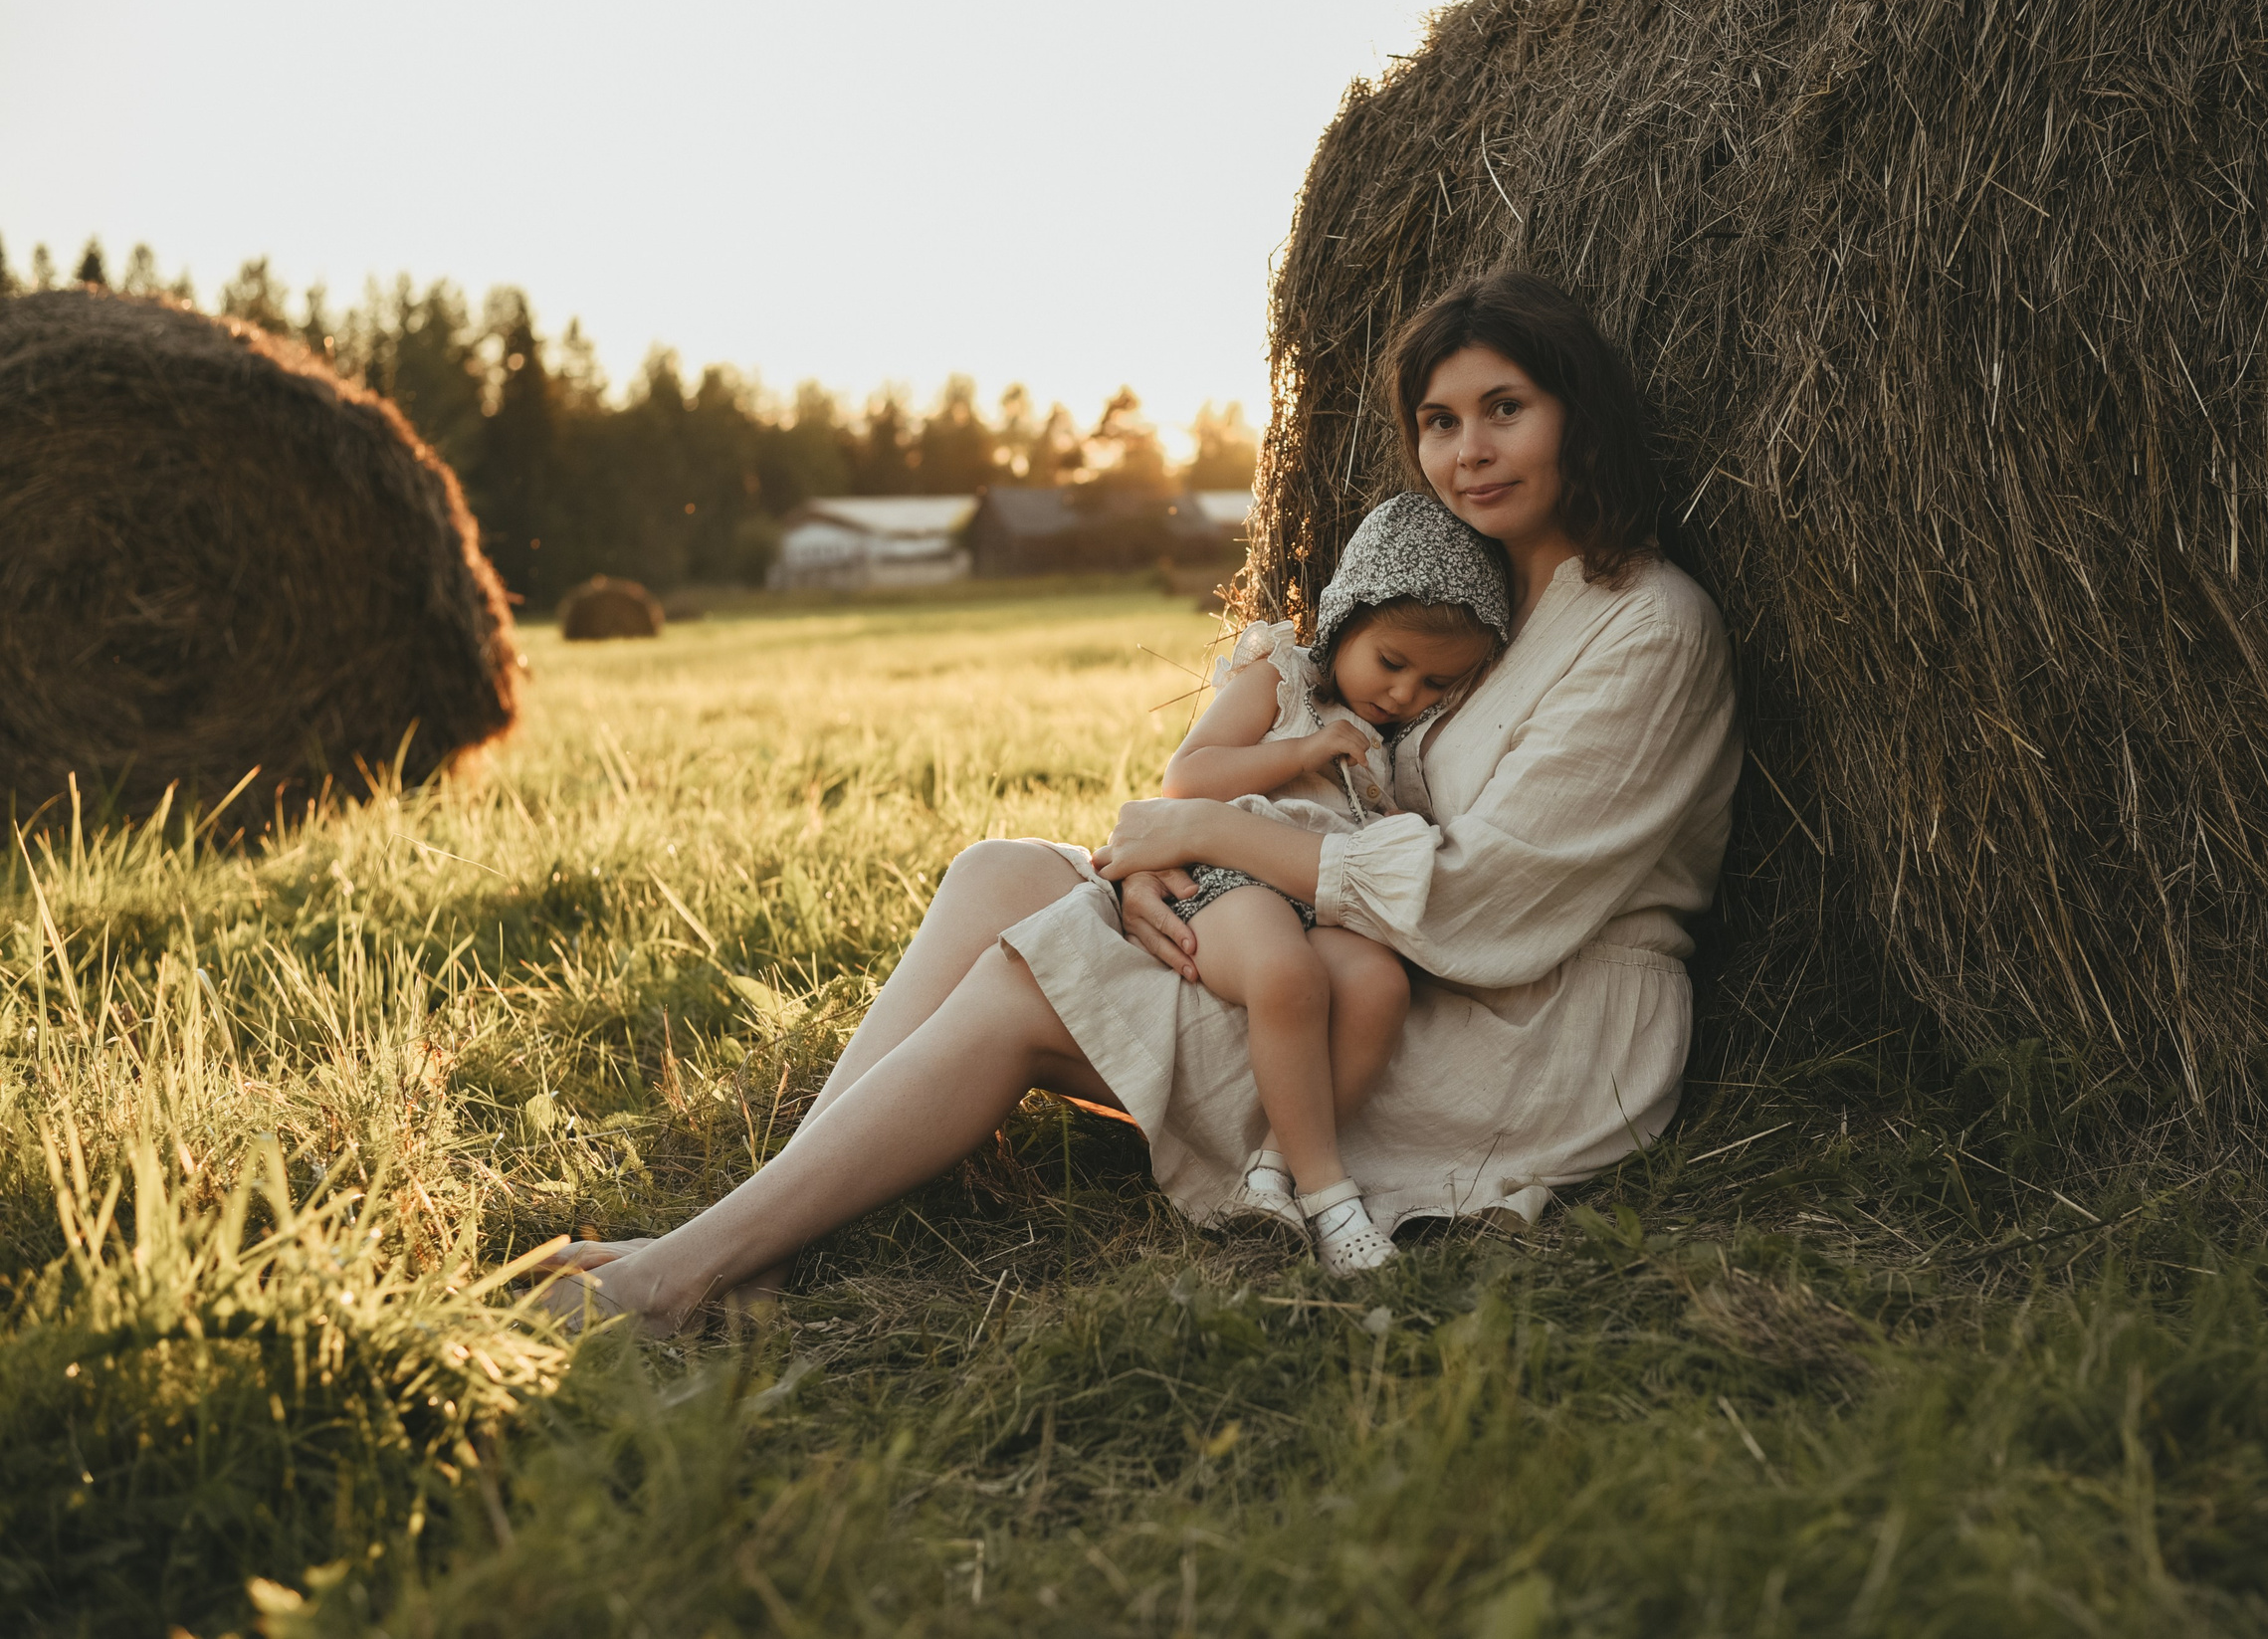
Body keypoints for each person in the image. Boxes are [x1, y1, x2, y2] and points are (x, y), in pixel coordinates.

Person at [525, 270, 1743, 1335]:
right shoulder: (1474, 611)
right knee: (1001, 873)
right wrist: (1180, 864)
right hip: (1378, 959)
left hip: (1521, 1037)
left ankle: (676, 1280)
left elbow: (1486, 900)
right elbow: (1347, 807)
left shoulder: (1647, 626)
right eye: (1438, 420)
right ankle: (756, 1236)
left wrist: (1202, 834)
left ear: (1577, 413)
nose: (1467, 449)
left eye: (1504, 410)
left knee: (1029, 970)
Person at [1159, 494, 1509, 1273]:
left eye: (1433, 684)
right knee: (1286, 976)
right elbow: (1186, 778)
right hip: (1231, 879)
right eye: (1392, 662)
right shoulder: (1279, 679)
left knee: (1380, 986)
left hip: (1317, 897)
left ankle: (1272, 1169)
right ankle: (1330, 1197)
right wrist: (1302, 751)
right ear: (1347, 615)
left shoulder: (1387, 741)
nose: (1404, 694)